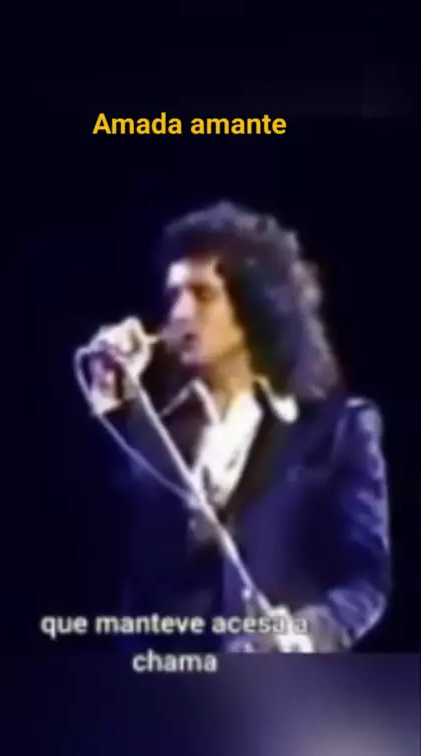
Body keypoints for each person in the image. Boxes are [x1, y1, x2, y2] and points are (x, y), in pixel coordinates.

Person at [84, 201, 391, 654]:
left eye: (202, 294)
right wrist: (111, 403)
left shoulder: (337, 429)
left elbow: (365, 579)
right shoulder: (150, 423)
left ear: (255, 305)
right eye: (174, 295)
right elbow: (98, 541)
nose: (180, 312)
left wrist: (306, 634)